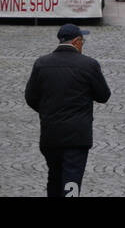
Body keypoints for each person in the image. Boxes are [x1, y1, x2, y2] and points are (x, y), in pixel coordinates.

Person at [24, 24, 111, 198]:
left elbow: (30, 97)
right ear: (77, 42)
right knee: (72, 179)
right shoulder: (89, 65)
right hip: (77, 136)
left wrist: (47, 111)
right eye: (83, 41)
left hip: (51, 133)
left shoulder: (42, 63)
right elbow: (103, 95)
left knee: (54, 177)